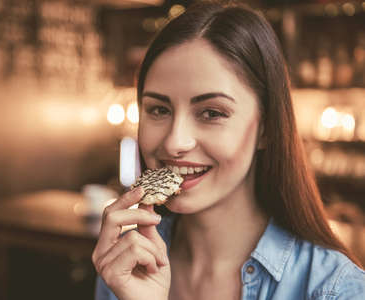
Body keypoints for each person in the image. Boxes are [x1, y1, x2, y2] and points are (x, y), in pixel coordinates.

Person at [92, 1, 365, 299]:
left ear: (267, 128)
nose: (174, 142)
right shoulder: (125, 263)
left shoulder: (334, 289)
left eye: (212, 113)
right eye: (158, 109)